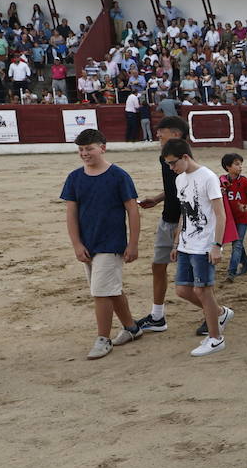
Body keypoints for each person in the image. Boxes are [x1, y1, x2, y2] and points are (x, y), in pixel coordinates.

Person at [61, 129, 141, 360]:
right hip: (88, 243)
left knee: (101, 293)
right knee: (109, 290)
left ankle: (103, 338)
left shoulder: (118, 176)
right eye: (81, 150)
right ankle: (132, 328)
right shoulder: (75, 177)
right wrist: (76, 244)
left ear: (103, 148)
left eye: (89, 148)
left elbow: (133, 211)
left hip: (111, 242)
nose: (85, 153)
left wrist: (133, 243)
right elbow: (71, 214)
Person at [162, 138, 232, 357]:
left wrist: (217, 245)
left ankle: (215, 338)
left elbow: (221, 214)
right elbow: (184, 212)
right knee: (183, 290)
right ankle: (219, 313)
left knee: (202, 290)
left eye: (173, 163)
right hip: (186, 243)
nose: (171, 168)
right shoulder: (180, 180)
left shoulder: (208, 177)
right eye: (168, 165)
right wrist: (176, 242)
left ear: (185, 157)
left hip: (204, 244)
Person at [134, 115, 190, 334]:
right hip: (167, 219)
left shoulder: (185, 161)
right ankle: (157, 316)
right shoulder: (165, 158)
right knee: (158, 266)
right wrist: (158, 199)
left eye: (162, 131)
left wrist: (181, 225)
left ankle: (214, 314)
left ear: (175, 134)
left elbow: (189, 195)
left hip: (184, 223)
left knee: (195, 276)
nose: (157, 134)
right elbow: (174, 190)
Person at [219, 152, 247, 282]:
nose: (240, 167)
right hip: (229, 219)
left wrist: (246, 207)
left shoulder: (245, 182)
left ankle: (231, 272)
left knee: (237, 244)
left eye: (241, 164)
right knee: (237, 243)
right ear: (228, 167)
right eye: (237, 164)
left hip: (242, 218)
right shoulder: (222, 182)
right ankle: (246, 264)